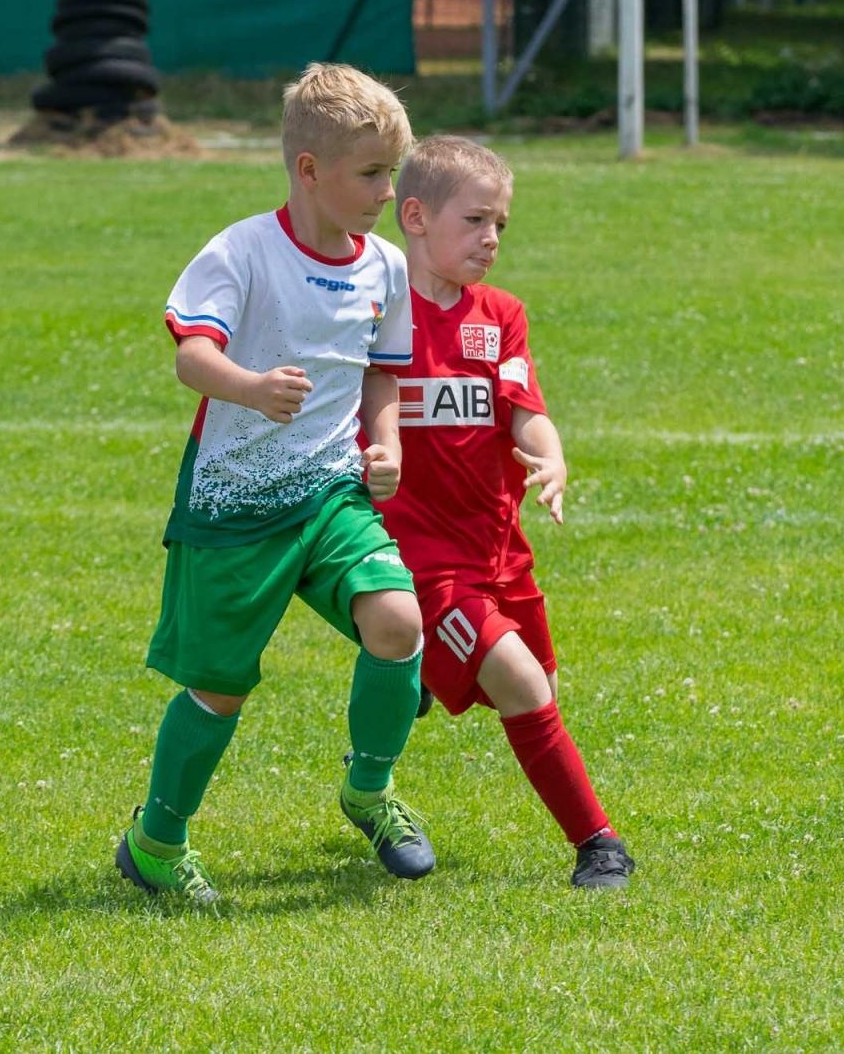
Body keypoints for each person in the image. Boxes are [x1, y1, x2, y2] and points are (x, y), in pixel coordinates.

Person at [115, 63, 433, 902]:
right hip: (235, 505)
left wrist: (387, 443)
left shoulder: (387, 269)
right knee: (219, 688)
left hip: (331, 491)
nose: (384, 190)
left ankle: (369, 790)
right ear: (308, 170)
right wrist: (252, 387)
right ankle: (155, 842)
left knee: (397, 621)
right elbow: (193, 356)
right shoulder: (243, 250)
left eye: (391, 171)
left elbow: (382, 375)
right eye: (370, 174)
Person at [377, 136, 635, 889]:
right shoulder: (379, 317)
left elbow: (525, 410)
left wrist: (549, 455)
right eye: (476, 221)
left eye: (502, 225)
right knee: (522, 683)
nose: (492, 239)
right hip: (427, 564)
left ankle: (412, 675)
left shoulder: (501, 317)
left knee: (537, 690)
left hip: (501, 552)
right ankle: (600, 845)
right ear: (416, 217)